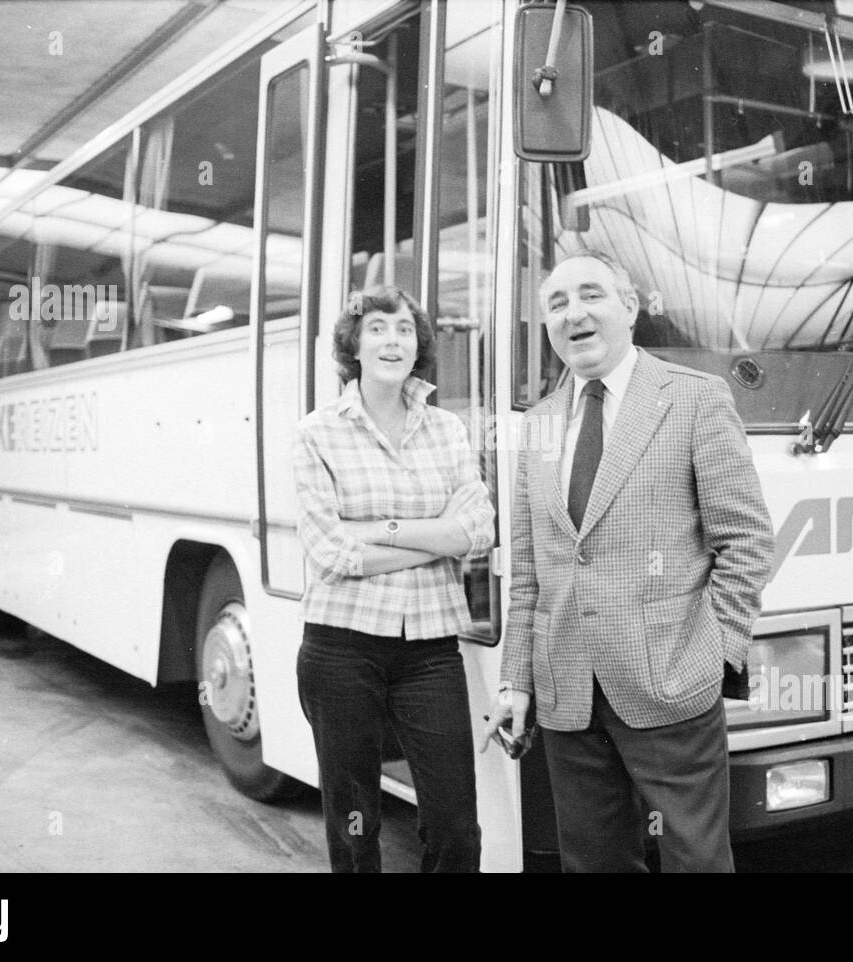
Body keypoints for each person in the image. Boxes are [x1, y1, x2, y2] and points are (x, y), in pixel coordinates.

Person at [481, 250, 773, 872]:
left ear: (631, 307)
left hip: (670, 682)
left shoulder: (694, 399)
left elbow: (745, 541)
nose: (573, 313)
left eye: (591, 295)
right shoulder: (538, 426)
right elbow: (531, 573)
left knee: (697, 859)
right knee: (593, 863)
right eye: (556, 304)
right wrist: (516, 681)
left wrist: (713, 652)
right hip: (567, 695)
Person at [292, 285, 495, 873]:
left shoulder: (447, 430)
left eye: (405, 329)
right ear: (353, 344)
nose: (393, 340)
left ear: (419, 345)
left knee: (457, 827)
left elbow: (478, 531)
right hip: (341, 648)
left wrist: (380, 528)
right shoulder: (317, 432)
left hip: (429, 650)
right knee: (356, 829)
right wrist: (436, 535)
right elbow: (331, 554)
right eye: (377, 327)